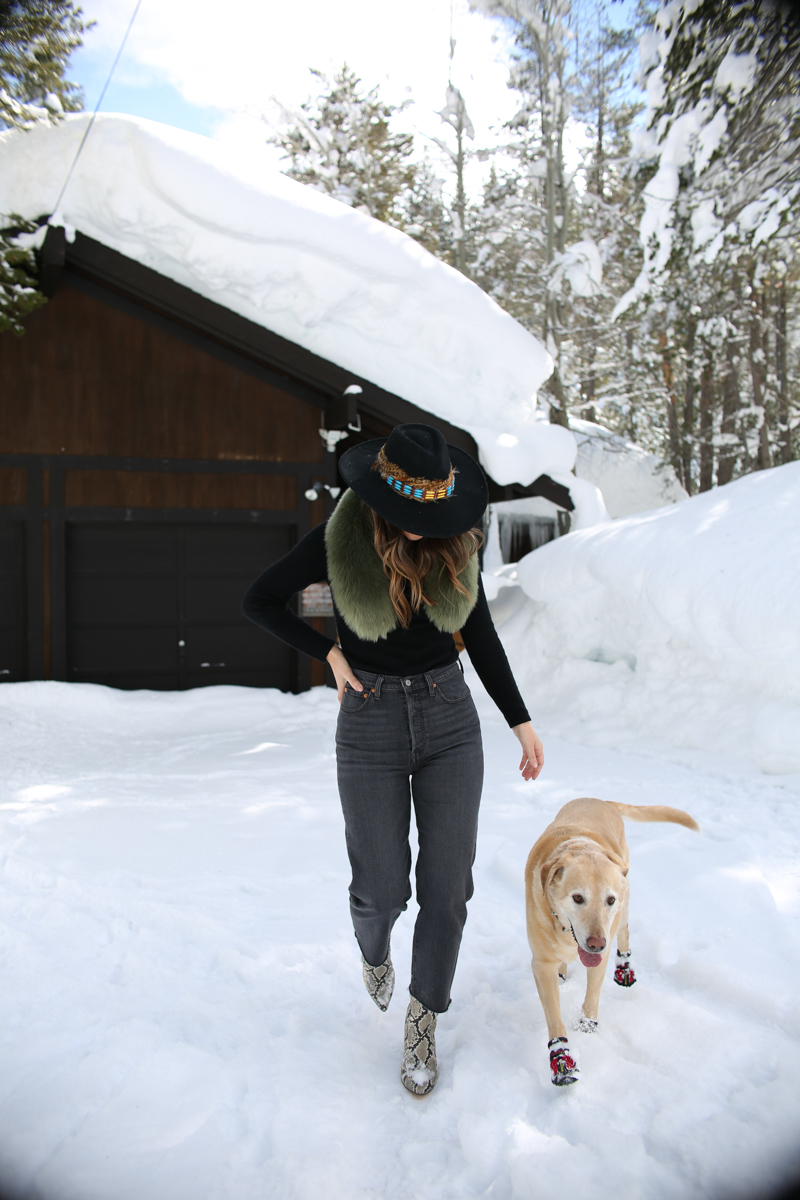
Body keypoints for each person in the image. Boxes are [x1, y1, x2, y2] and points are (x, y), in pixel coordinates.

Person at [242, 423, 543, 1096]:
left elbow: (481, 633)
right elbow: (257, 599)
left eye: (427, 515)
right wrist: (329, 651)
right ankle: (373, 949)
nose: (417, 528)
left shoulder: (458, 541)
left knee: (448, 886)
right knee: (380, 889)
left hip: (449, 720)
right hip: (370, 720)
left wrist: (519, 720)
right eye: (407, 515)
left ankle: (423, 1016)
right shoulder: (338, 540)